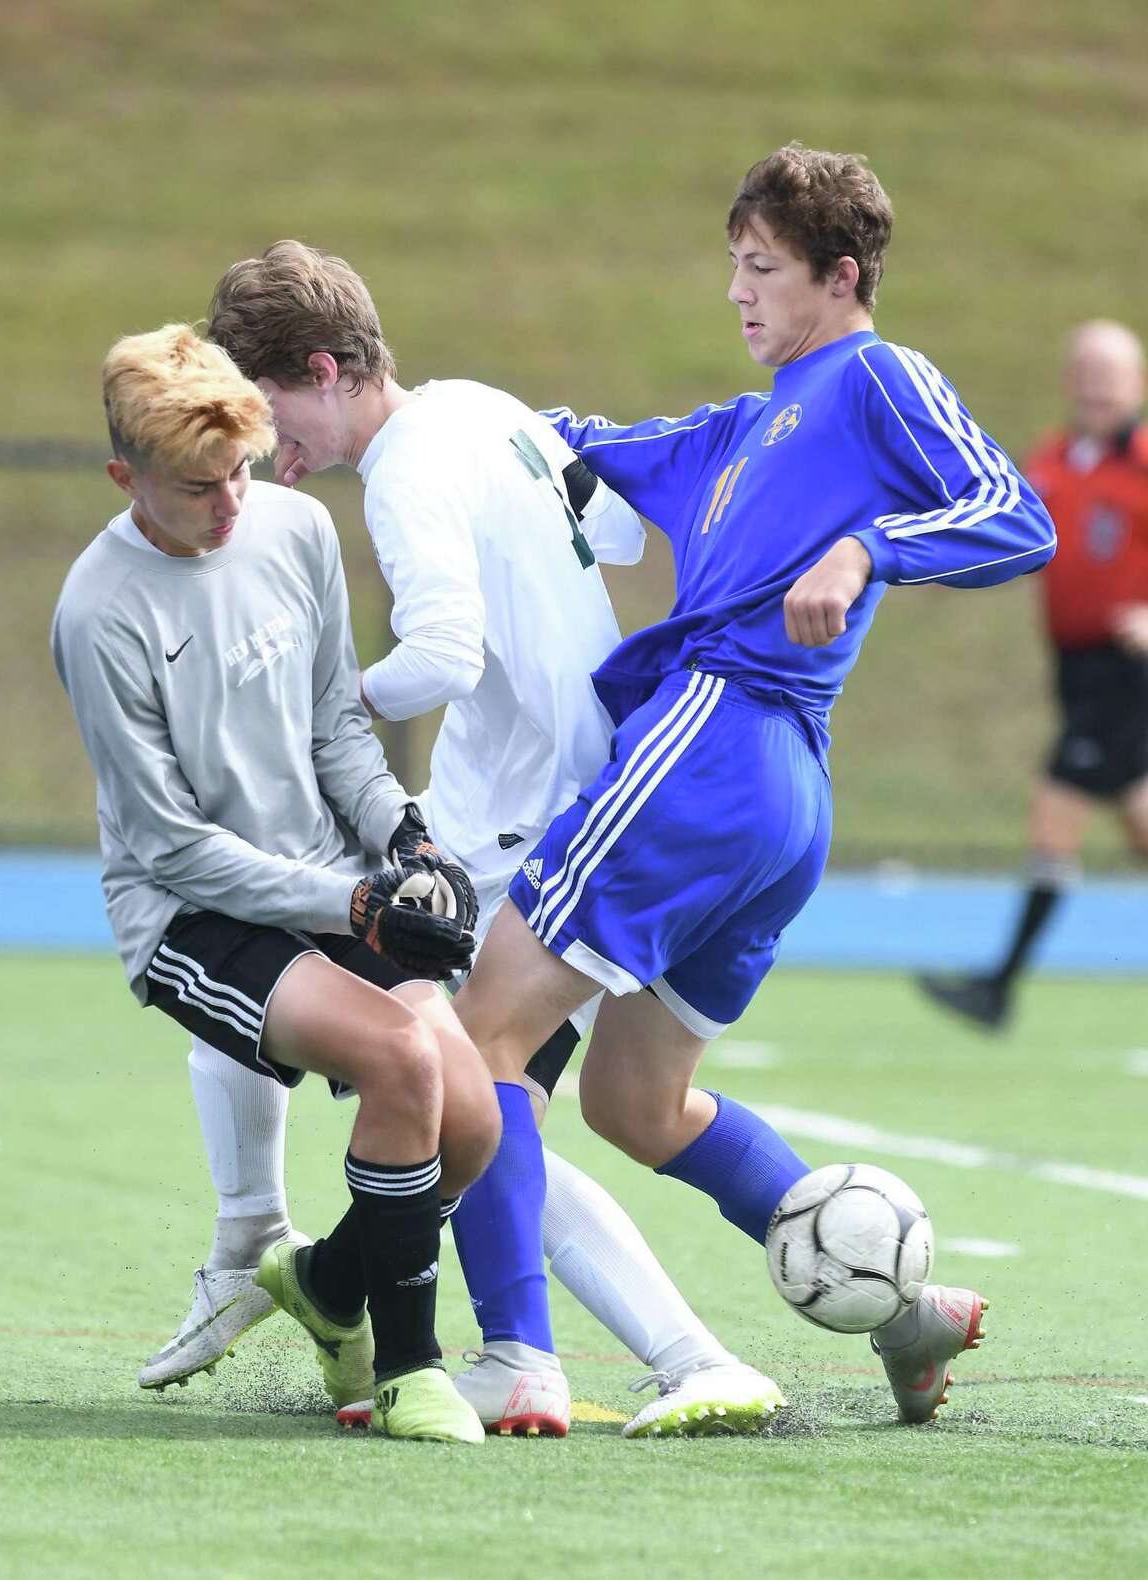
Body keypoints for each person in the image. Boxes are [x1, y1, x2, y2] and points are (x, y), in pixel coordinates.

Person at [442, 142, 1054, 1430]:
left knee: (482, 1028)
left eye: (763, 266)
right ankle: (907, 1314)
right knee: (634, 1102)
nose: (737, 290)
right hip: (772, 799)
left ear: (843, 276)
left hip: (713, 746)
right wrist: (434, 428)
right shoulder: (737, 427)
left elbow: (1017, 515)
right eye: (733, 262)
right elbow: (570, 444)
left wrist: (866, 548)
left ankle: (516, 1355)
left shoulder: (878, 377)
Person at [199, 240, 788, 1440]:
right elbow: (616, 534)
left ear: (323, 369)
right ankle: (331, 1278)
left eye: (264, 407)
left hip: (516, 814)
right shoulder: (479, 407)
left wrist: (305, 707)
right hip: (564, 790)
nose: (260, 443)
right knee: (466, 1092)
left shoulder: (408, 468)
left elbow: (442, 654)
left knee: (438, 1073)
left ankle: (474, 1331)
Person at [51, 323, 499, 1444]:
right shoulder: (98, 612)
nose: (232, 504)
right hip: (190, 915)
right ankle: (408, 1370)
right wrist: (352, 904)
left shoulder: (295, 527)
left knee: (475, 1122)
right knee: (401, 1058)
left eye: (242, 472)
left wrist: (406, 839)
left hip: (324, 874)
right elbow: (170, 844)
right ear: (125, 479)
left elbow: (337, 728)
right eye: (199, 487)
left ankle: (324, 1283)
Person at [918, 320, 1148, 1029]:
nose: (1096, 387)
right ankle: (997, 989)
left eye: (1110, 374)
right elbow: (1009, 528)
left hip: (1127, 670)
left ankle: (997, 989)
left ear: (1137, 383)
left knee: (1056, 811)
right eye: (1085, 372)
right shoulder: (1052, 459)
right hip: (1075, 670)